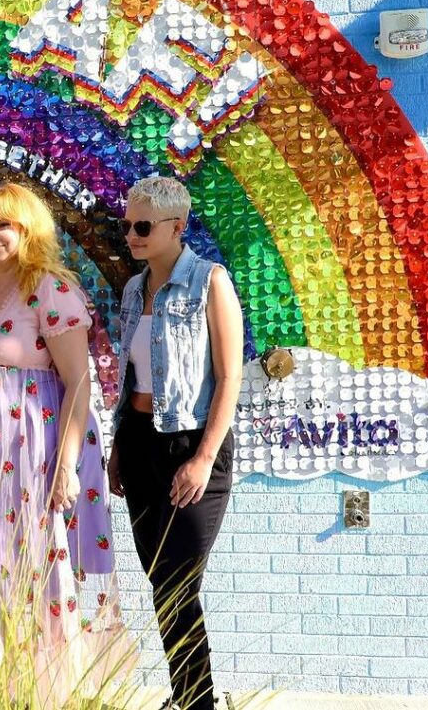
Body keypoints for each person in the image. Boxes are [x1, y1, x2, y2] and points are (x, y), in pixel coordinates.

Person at [0, 183, 125, 708]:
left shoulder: (50, 288)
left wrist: (66, 468)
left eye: (4, 225)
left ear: (29, 229)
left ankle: (49, 692)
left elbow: (78, 381)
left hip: (34, 449)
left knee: (37, 562)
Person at [108, 176, 243, 710]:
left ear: (177, 227)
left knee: (179, 584)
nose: (132, 236)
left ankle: (196, 703)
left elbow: (229, 377)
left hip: (191, 445)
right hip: (140, 443)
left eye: (143, 226)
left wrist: (204, 458)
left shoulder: (210, 282)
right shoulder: (131, 290)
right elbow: (131, 381)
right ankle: (188, 697)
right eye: (128, 225)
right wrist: (119, 447)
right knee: (161, 585)